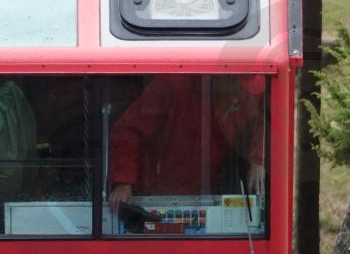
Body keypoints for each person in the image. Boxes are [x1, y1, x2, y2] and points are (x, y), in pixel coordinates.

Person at [107, 74, 265, 219]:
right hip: (162, 193)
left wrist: (258, 159)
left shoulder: (244, 93)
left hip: (210, 193)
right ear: (222, 76)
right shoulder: (173, 84)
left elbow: (265, 119)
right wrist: (123, 182)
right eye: (238, 86)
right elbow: (127, 130)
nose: (242, 96)